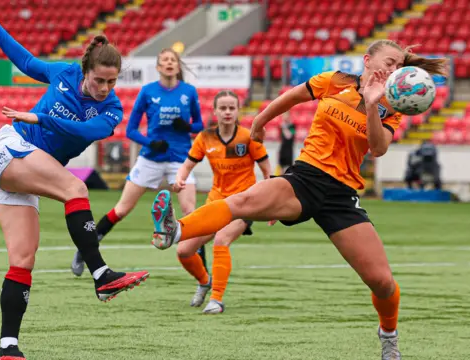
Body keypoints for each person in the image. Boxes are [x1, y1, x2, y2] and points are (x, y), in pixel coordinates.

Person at [150, 40, 448, 360]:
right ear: (367, 60)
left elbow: (378, 149)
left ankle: (388, 335)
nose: (393, 70)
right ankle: (175, 230)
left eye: (398, 65)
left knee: (382, 282)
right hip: (304, 178)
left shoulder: (391, 104)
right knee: (245, 201)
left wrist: (373, 104)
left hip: (341, 195)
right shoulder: (333, 81)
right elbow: (288, 99)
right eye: (389, 61)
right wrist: (260, 124)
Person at [0, 1, 148, 359]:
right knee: (75, 188)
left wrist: (41, 119)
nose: (104, 87)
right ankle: (101, 274)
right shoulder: (65, 73)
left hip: (24, 171)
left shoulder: (111, 110)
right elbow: (25, 62)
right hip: (9, 148)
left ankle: (8, 347)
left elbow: (84, 129)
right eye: (99, 80)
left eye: (112, 81)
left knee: (23, 259)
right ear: (85, 71)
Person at [70, 48, 206, 277]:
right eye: (165, 60)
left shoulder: (189, 92)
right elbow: (131, 130)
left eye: (173, 60)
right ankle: (85, 249)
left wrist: (188, 127)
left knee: (190, 212)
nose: (169, 63)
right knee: (122, 209)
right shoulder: (148, 92)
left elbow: (199, 125)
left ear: (178, 65)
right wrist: (150, 143)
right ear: (158, 67)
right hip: (150, 158)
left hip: (180, 159)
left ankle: (203, 271)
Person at [166, 90, 270, 314]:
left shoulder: (248, 137)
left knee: (221, 239)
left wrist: (271, 204)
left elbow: (267, 171)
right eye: (222, 108)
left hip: (244, 203)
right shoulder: (205, 137)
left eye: (232, 107)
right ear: (215, 112)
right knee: (183, 250)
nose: (227, 112)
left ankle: (216, 300)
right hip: (216, 202)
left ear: (238, 110)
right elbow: (187, 165)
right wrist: (180, 179)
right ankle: (204, 281)